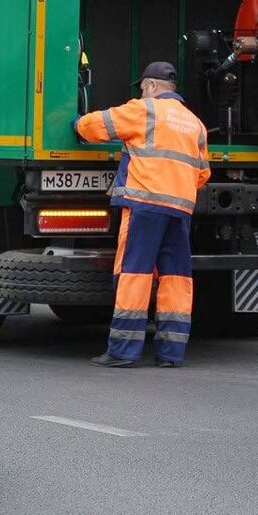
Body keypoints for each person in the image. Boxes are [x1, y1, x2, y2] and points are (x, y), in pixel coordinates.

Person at [74, 61, 210, 368]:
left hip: (145, 206)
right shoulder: (195, 124)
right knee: (176, 278)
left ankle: (123, 351)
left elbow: (97, 126)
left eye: (142, 88)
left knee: (135, 274)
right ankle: (171, 353)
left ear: (151, 87)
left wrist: (75, 124)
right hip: (180, 210)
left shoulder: (144, 110)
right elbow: (203, 173)